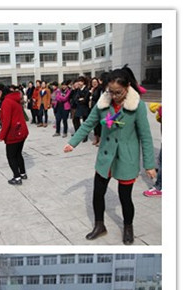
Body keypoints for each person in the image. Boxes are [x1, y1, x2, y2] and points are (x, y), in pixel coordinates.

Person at [63, 66, 156, 244]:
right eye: (110, 92)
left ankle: (128, 227)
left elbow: (145, 136)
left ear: (127, 87)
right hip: (106, 156)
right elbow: (88, 123)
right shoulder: (103, 103)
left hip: (126, 157)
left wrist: (149, 165)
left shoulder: (137, 106)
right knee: (98, 193)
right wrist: (72, 142)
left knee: (125, 197)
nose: (114, 96)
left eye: (118, 92)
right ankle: (100, 225)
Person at [0, 84, 29, 185]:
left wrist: (1, 136)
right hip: (21, 131)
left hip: (14, 133)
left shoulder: (6, 102)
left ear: (0, 92)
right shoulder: (14, 99)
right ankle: (22, 173)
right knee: (18, 154)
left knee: (11, 156)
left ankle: (17, 178)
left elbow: (7, 122)